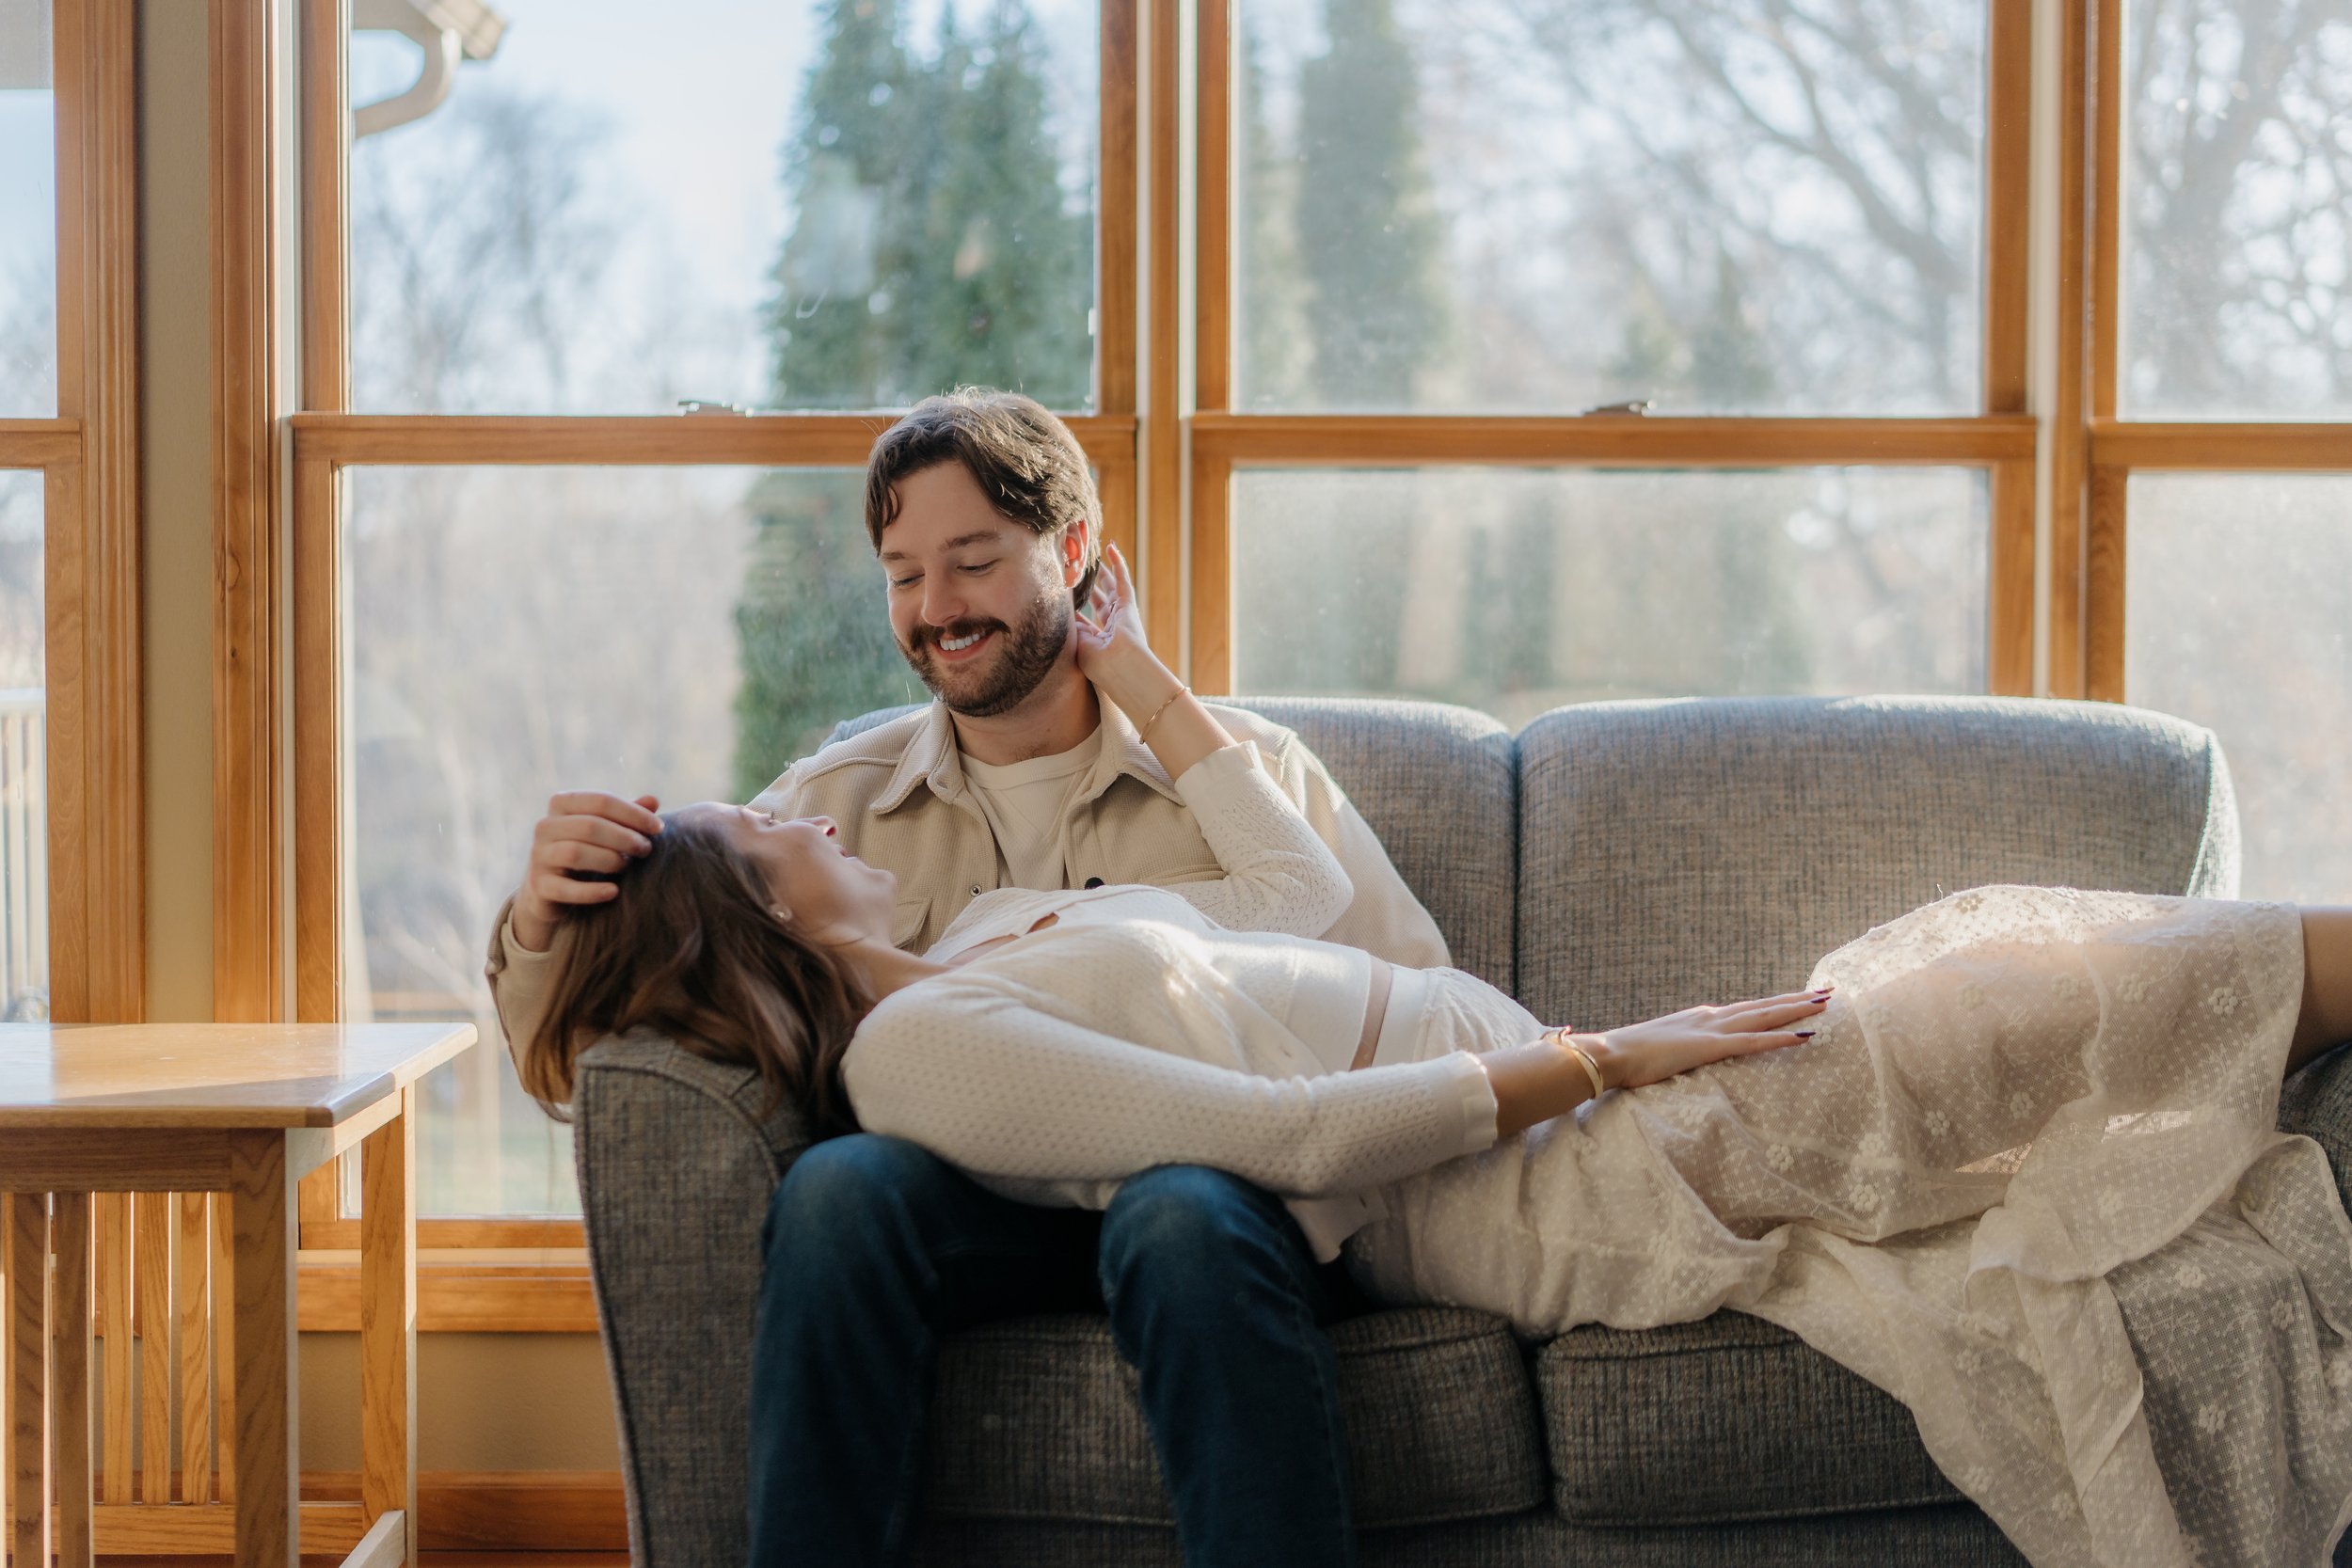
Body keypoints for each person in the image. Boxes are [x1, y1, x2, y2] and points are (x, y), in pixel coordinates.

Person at [515, 556, 2352, 1568]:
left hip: (1542, 1108)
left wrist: (1138, 667)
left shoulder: (988, 929)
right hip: (1505, 1161)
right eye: (765, 835)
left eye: (969, 560)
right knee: (2000, 997)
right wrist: (1599, 1054)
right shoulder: (914, 1030)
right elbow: (1281, 1131)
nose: (795, 810)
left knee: (2005, 1007)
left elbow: (1304, 902)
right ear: (756, 910)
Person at [485, 388, 1451, 1568]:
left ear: (1075, 553)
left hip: (1228, 1196)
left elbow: (1412, 993)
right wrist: (543, 920)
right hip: (979, 1209)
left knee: (1179, 1209)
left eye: (974, 561)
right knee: (842, 1185)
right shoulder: (827, 809)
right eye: (904, 574)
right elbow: (628, 1030)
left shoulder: (1243, 775)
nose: (937, 609)